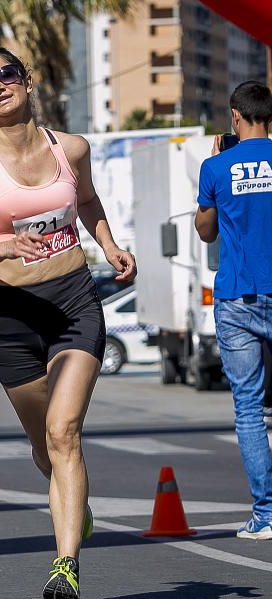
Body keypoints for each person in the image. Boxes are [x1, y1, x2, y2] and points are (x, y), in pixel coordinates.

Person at [0, 46, 136, 599]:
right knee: (43, 448)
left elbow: (86, 201)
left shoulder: (70, 148)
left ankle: (66, 565)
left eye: (6, 75)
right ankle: (74, 502)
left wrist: (108, 244)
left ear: (27, 81)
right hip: (12, 316)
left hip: (74, 301)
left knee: (64, 432)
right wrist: (2, 246)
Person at [194, 80, 272, 541]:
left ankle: (266, 514)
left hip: (238, 299)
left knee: (248, 409)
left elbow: (205, 232)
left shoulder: (215, 167)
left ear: (236, 118)